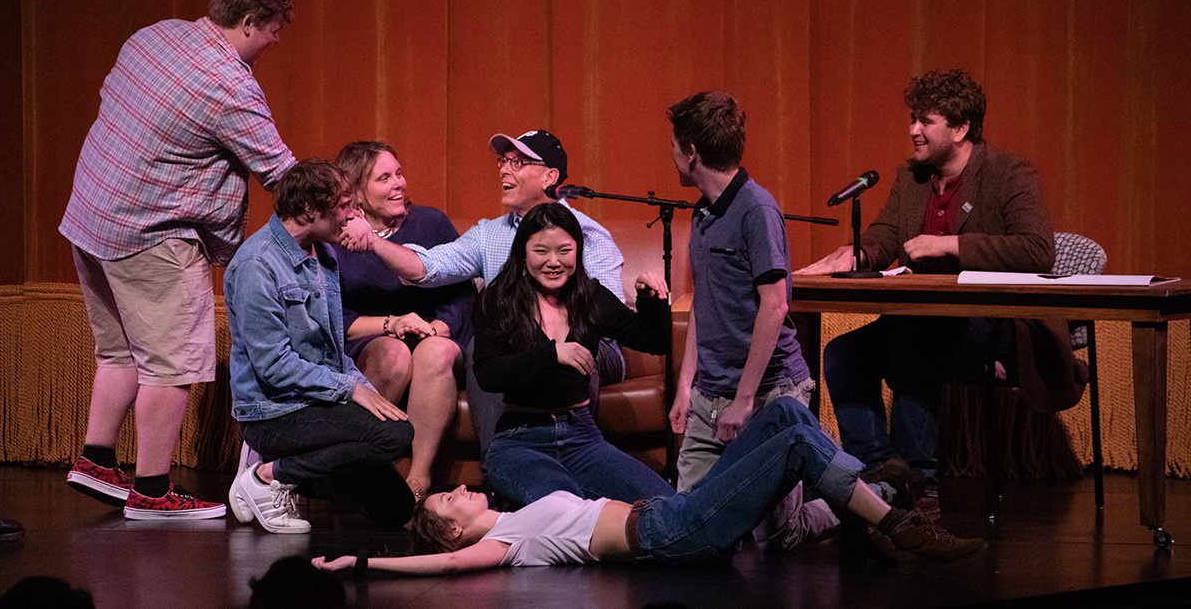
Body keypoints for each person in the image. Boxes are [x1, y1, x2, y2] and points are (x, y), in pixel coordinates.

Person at [59, 0, 297, 519]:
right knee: (170, 366)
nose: (276, 41)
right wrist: (340, 212)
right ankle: (152, 489)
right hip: (152, 235)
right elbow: (280, 174)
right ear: (247, 22)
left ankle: (96, 460)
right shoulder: (229, 84)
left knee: (119, 350)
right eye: (273, 29)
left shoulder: (153, 35)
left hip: (92, 220)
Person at [311, 396, 986, 574]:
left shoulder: (515, 513)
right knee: (795, 440)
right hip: (672, 533)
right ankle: (893, 524)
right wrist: (363, 562)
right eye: (448, 500)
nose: (458, 490)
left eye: (449, 489)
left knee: (785, 411)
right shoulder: (504, 542)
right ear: (454, 524)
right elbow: (444, 562)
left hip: (674, 509)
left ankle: (870, 506)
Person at [796, 69, 1058, 515]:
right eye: (913, 118)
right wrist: (858, 255)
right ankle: (879, 476)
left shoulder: (1009, 173)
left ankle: (921, 485)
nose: (913, 130)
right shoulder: (912, 177)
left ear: (960, 129)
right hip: (916, 316)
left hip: (988, 324)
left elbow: (1037, 251)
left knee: (915, 342)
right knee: (843, 354)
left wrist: (952, 244)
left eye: (926, 121)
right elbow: (886, 234)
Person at [341, 130, 627, 454]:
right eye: (503, 161)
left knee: (572, 343)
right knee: (488, 347)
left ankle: (576, 460)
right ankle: (500, 468)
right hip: (519, 343)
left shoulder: (589, 234)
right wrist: (374, 241)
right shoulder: (488, 234)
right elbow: (426, 266)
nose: (504, 170)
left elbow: (606, 319)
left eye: (517, 163)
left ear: (550, 175)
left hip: (594, 346)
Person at [664, 91, 844, 551]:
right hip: (711, 395)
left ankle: (872, 491)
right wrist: (686, 385)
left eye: (673, 145)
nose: (671, 154)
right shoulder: (702, 214)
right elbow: (707, 302)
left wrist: (745, 402)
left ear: (692, 152)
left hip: (769, 392)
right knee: (689, 524)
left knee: (779, 536)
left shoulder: (756, 209)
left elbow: (775, 305)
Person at [224, 159, 415, 534]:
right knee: (395, 435)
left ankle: (295, 476)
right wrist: (350, 390)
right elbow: (273, 365)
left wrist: (366, 390)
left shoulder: (321, 254)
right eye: (343, 205)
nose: (352, 214)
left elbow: (330, 348)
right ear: (310, 210)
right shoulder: (257, 264)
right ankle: (266, 476)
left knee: (397, 508)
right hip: (273, 414)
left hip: (314, 404)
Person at [473, 203, 674, 506]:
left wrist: (650, 300)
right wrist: (552, 354)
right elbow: (488, 375)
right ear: (523, 254)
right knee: (565, 507)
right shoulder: (499, 299)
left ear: (578, 252)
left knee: (666, 503)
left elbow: (653, 341)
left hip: (582, 437)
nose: (554, 262)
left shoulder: (591, 296)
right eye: (541, 252)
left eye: (564, 251)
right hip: (520, 439)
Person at [334, 141, 475, 499]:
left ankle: (418, 478)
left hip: (435, 337)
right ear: (357, 193)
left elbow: (461, 293)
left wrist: (441, 326)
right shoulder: (335, 241)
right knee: (394, 354)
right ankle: (347, 466)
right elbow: (332, 316)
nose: (399, 183)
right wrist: (392, 323)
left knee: (436, 351)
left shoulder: (431, 222)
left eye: (399, 173)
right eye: (384, 178)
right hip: (369, 337)